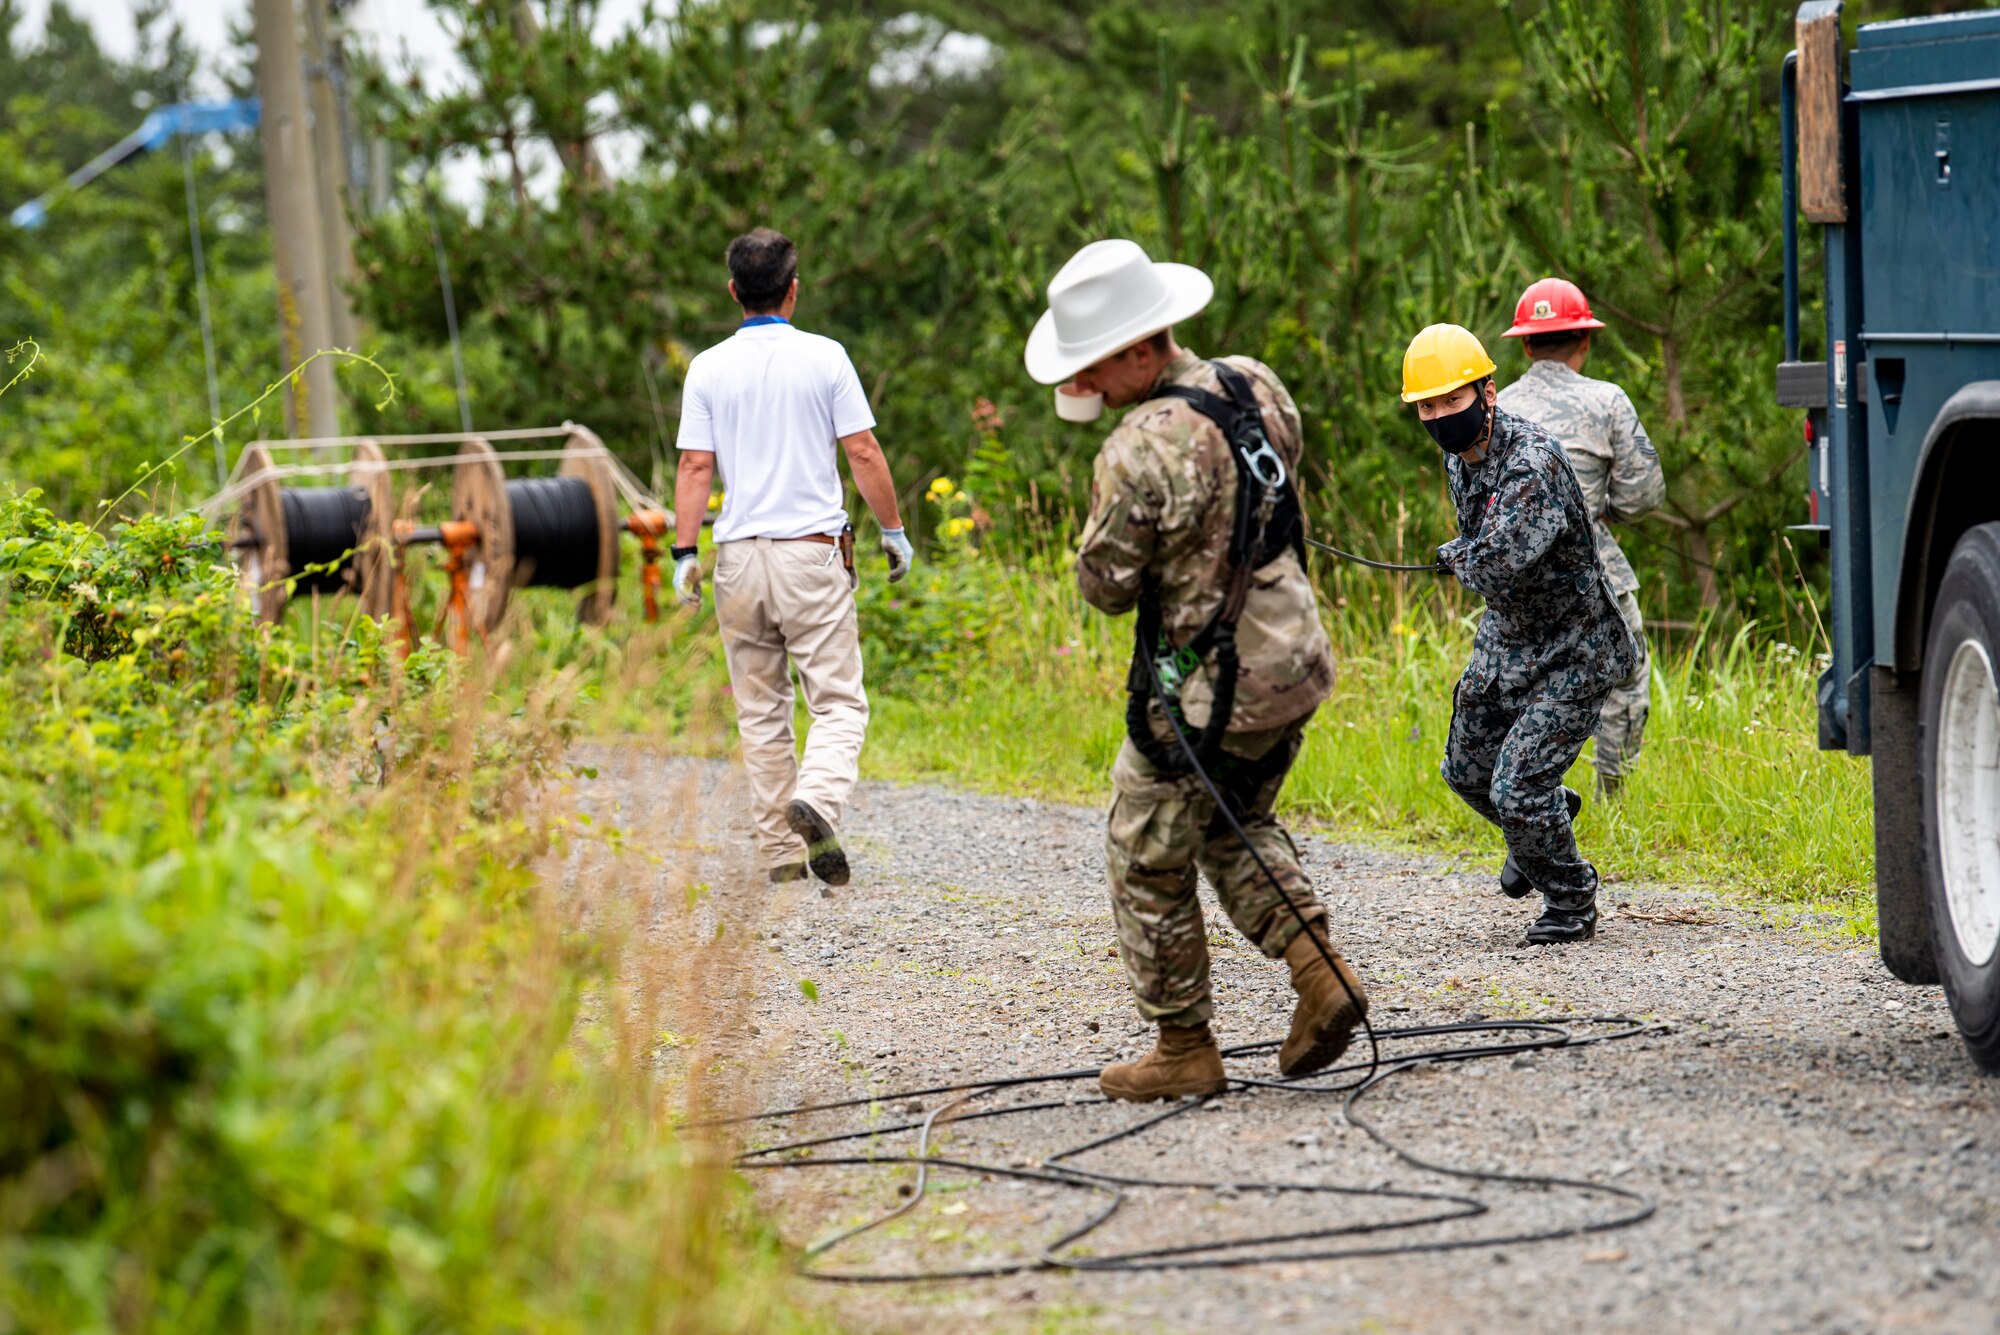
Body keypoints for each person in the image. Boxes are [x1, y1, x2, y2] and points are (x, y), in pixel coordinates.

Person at [1025, 238, 1366, 1102]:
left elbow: (1105, 586)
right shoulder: (1254, 382)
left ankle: (1183, 1044)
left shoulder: (1139, 447)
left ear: (1139, 347)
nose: (1088, 389)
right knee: (1232, 823)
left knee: (1143, 847)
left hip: (1211, 690)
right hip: (1294, 654)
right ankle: (1320, 972)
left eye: (1094, 368)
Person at [671, 227, 915, 890]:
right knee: (837, 702)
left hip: (739, 558)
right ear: (793, 289)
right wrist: (892, 529)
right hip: (811, 555)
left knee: (760, 708)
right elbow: (862, 451)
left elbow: (696, 464)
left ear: (732, 291)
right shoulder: (826, 358)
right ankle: (819, 800)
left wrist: (683, 551)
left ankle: (780, 850)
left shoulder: (707, 368)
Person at [1406, 322, 1638, 945]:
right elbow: (1484, 557)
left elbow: (1499, 558)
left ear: (1488, 392)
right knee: (1465, 771)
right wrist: (1461, 552)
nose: (1440, 417)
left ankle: (1570, 897)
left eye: (1452, 401)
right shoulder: (1462, 458)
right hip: (1510, 638)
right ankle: (1546, 820)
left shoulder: (1531, 462)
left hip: (1576, 648)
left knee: (1516, 786)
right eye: (1427, 406)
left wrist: (1455, 555)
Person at [1496, 278, 1665, 800]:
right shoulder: (1607, 400)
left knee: (1521, 684)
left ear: (1525, 344)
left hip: (1516, 575)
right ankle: (1612, 800)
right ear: (1585, 341)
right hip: (1594, 571)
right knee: (1624, 677)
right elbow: (1645, 493)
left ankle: (1527, 795)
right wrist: (1599, 511)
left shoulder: (1496, 406)